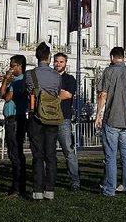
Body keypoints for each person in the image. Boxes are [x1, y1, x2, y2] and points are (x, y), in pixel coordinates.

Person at [96, 46, 126, 197]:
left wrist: (98, 115)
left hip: (112, 118)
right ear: (124, 57)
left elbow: (103, 95)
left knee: (111, 156)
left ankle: (110, 188)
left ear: (112, 57)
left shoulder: (108, 72)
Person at [25, 42, 62, 200]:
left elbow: (28, 91)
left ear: (37, 56)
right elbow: (57, 92)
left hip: (36, 116)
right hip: (53, 117)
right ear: (49, 57)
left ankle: (38, 190)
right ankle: (50, 190)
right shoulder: (56, 75)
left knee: (38, 155)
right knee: (51, 155)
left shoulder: (30, 74)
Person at [0, 54, 27, 197]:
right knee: (14, 152)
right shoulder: (14, 80)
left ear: (19, 66)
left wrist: (7, 81)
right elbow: (1, 94)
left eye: (12, 66)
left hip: (15, 118)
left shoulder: (19, 81)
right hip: (12, 118)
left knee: (15, 152)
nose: (10, 68)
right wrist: (5, 80)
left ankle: (17, 187)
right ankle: (17, 186)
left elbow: (7, 97)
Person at [53, 52, 81, 190]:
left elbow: (67, 94)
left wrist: (51, 94)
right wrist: (59, 93)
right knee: (49, 152)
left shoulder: (69, 79)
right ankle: (49, 179)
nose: (58, 64)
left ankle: (75, 180)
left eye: (61, 62)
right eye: (56, 61)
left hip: (64, 118)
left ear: (65, 63)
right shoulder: (49, 77)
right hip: (49, 118)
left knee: (68, 151)